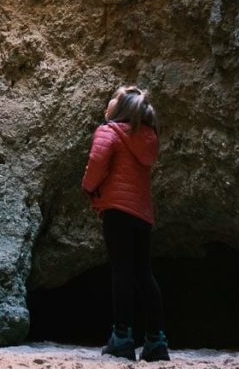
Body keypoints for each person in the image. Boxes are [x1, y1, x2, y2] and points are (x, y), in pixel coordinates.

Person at [82, 85, 170, 362]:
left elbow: (97, 162)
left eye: (114, 98)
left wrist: (88, 187)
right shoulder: (147, 137)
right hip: (142, 215)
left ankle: (122, 338)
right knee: (143, 273)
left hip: (117, 211)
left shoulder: (108, 132)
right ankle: (156, 340)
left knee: (121, 272)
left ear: (119, 110)